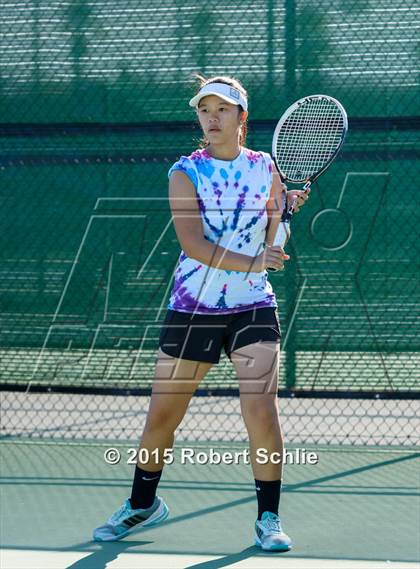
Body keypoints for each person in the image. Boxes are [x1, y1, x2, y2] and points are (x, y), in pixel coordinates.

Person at [93, 74, 309, 550]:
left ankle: (268, 518)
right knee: (163, 419)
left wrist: (284, 214)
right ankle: (143, 503)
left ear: (241, 117)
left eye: (222, 109)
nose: (211, 117)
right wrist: (256, 258)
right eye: (204, 109)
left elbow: (274, 240)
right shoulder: (184, 172)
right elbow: (193, 245)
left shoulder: (267, 168)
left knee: (262, 412)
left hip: (253, 305)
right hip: (194, 308)